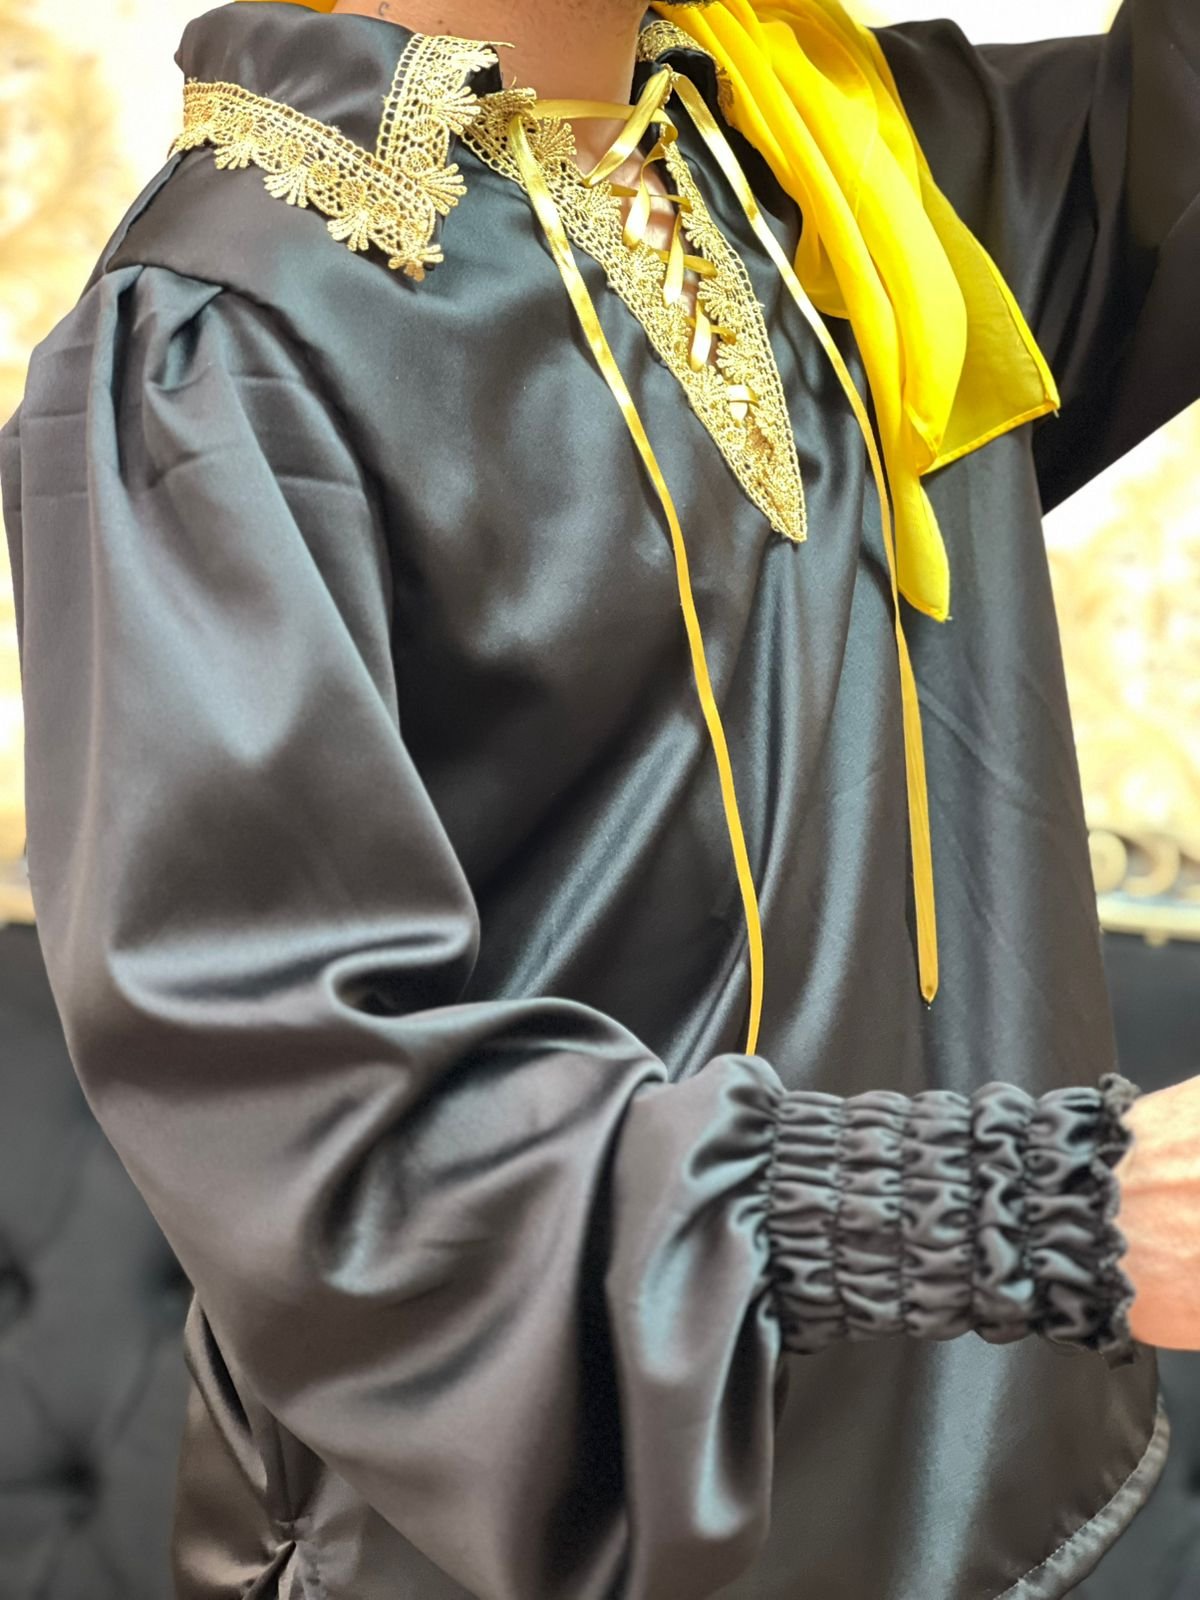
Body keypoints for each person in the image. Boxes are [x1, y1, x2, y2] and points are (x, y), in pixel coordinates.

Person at [1, 0, 1198, 1594]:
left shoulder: (813, 171)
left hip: (969, 1510)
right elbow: (333, 1141)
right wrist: (1042, 1213)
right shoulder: (227, 334)